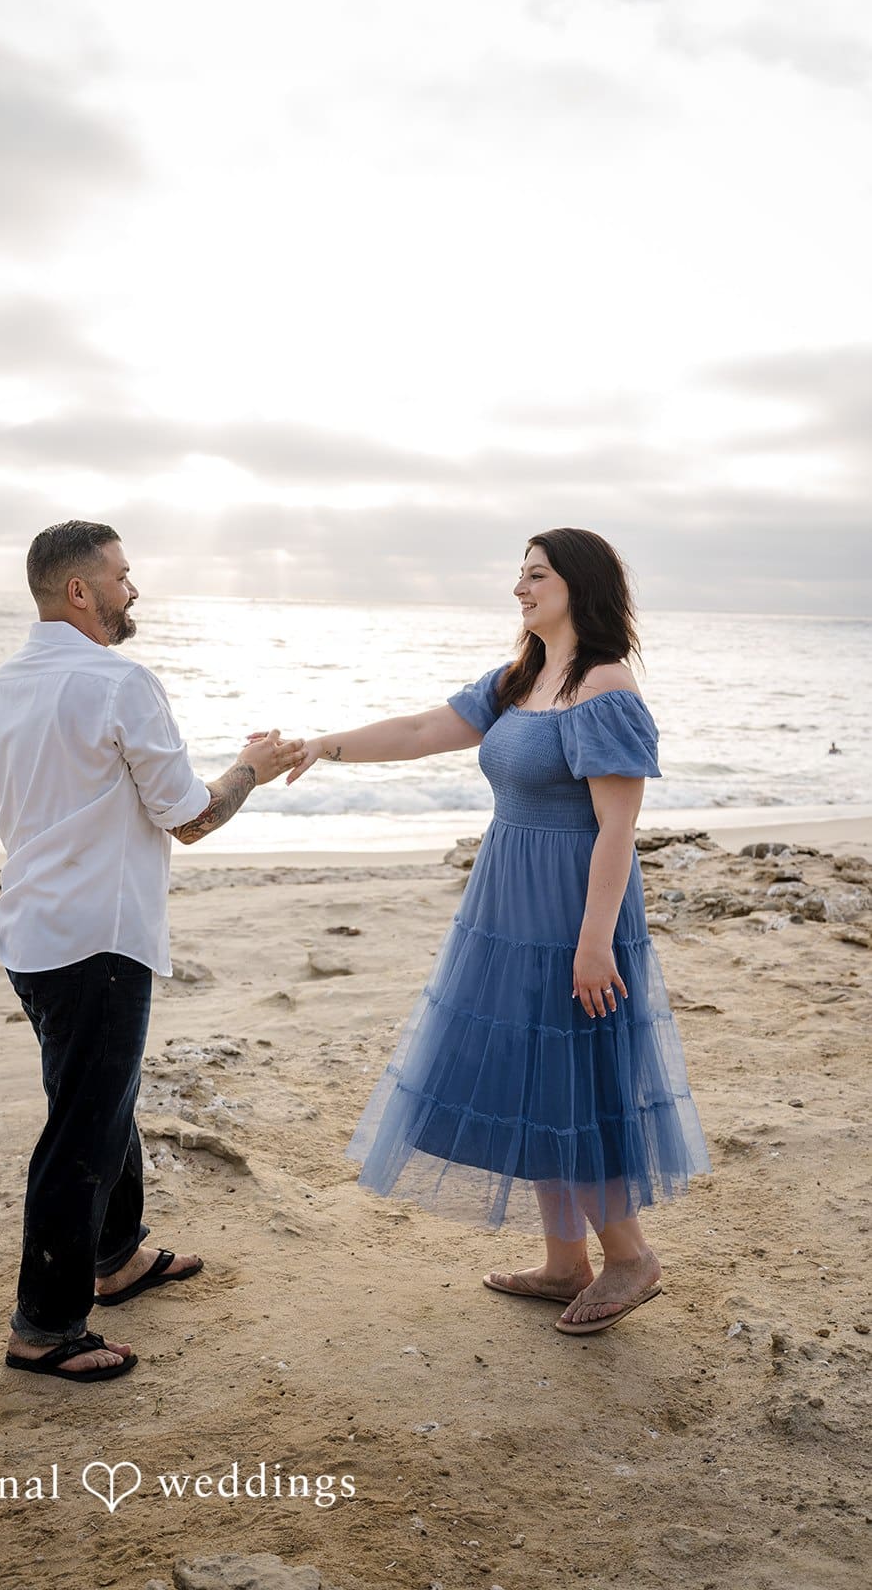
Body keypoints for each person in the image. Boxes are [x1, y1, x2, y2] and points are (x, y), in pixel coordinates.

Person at [287, 529, 710, 1334]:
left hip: (573, 910)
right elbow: (419, 732)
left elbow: (617, 829)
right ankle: (563, 1264)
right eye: (517, 575)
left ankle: (630, 1257)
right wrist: (322, 746)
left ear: (577, 585)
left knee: (571, 1072)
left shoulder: (604, 688)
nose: (519, 588)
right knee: (530, 1068)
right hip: (505, 903)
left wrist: (593, 943)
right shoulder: (521, 677)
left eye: (536, 575)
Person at [0, 520, 304, 1381]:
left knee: (100, 1098)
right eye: (121, 576)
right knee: (83, 1125)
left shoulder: (2, 687)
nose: (132, 589)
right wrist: (252, 768)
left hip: (32, 933)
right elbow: (187, 815)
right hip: (97, 938)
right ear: (80, 591)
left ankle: (115, 1258)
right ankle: (43, 1329)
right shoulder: (120, 682)